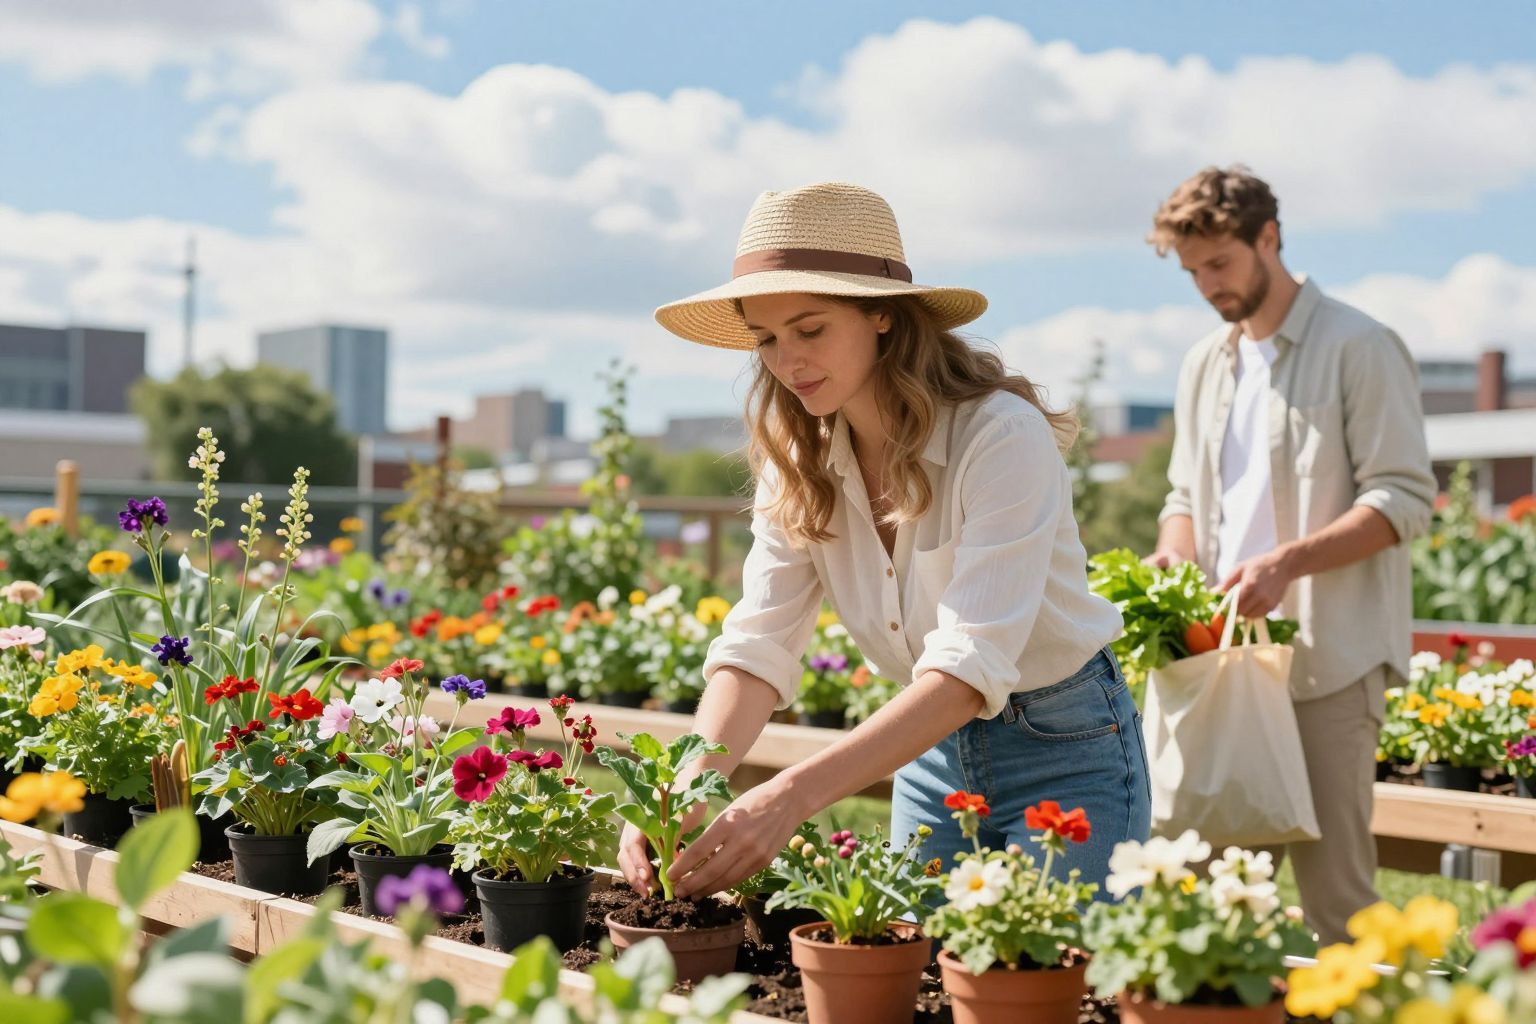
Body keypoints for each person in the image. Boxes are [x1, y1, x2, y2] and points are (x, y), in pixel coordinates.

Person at [620, 181, 1150, 902]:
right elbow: (757, 646)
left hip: (1066, 750)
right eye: (767, 339)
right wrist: (682, 782)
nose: (788, 361)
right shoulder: (800, 460)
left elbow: (969, 668)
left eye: (810, 330)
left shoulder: (999, 436)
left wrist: (787, 797)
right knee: (902, 973)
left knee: (1043, 983)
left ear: (882, 317)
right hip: (928, 751)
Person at [1145, 166, 1436, 943]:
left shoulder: (1361, 346)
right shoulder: (1205, 364)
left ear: (1268, 238)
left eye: (1220, 264)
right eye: (1193, 270)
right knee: (1212, 901)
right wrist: (1173, 557)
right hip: (1219, 662)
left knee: (1336, 903)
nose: (1207, 285)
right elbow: (1183, 501)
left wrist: (1287, 563)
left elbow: (1404, 499)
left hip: (1330, 666)